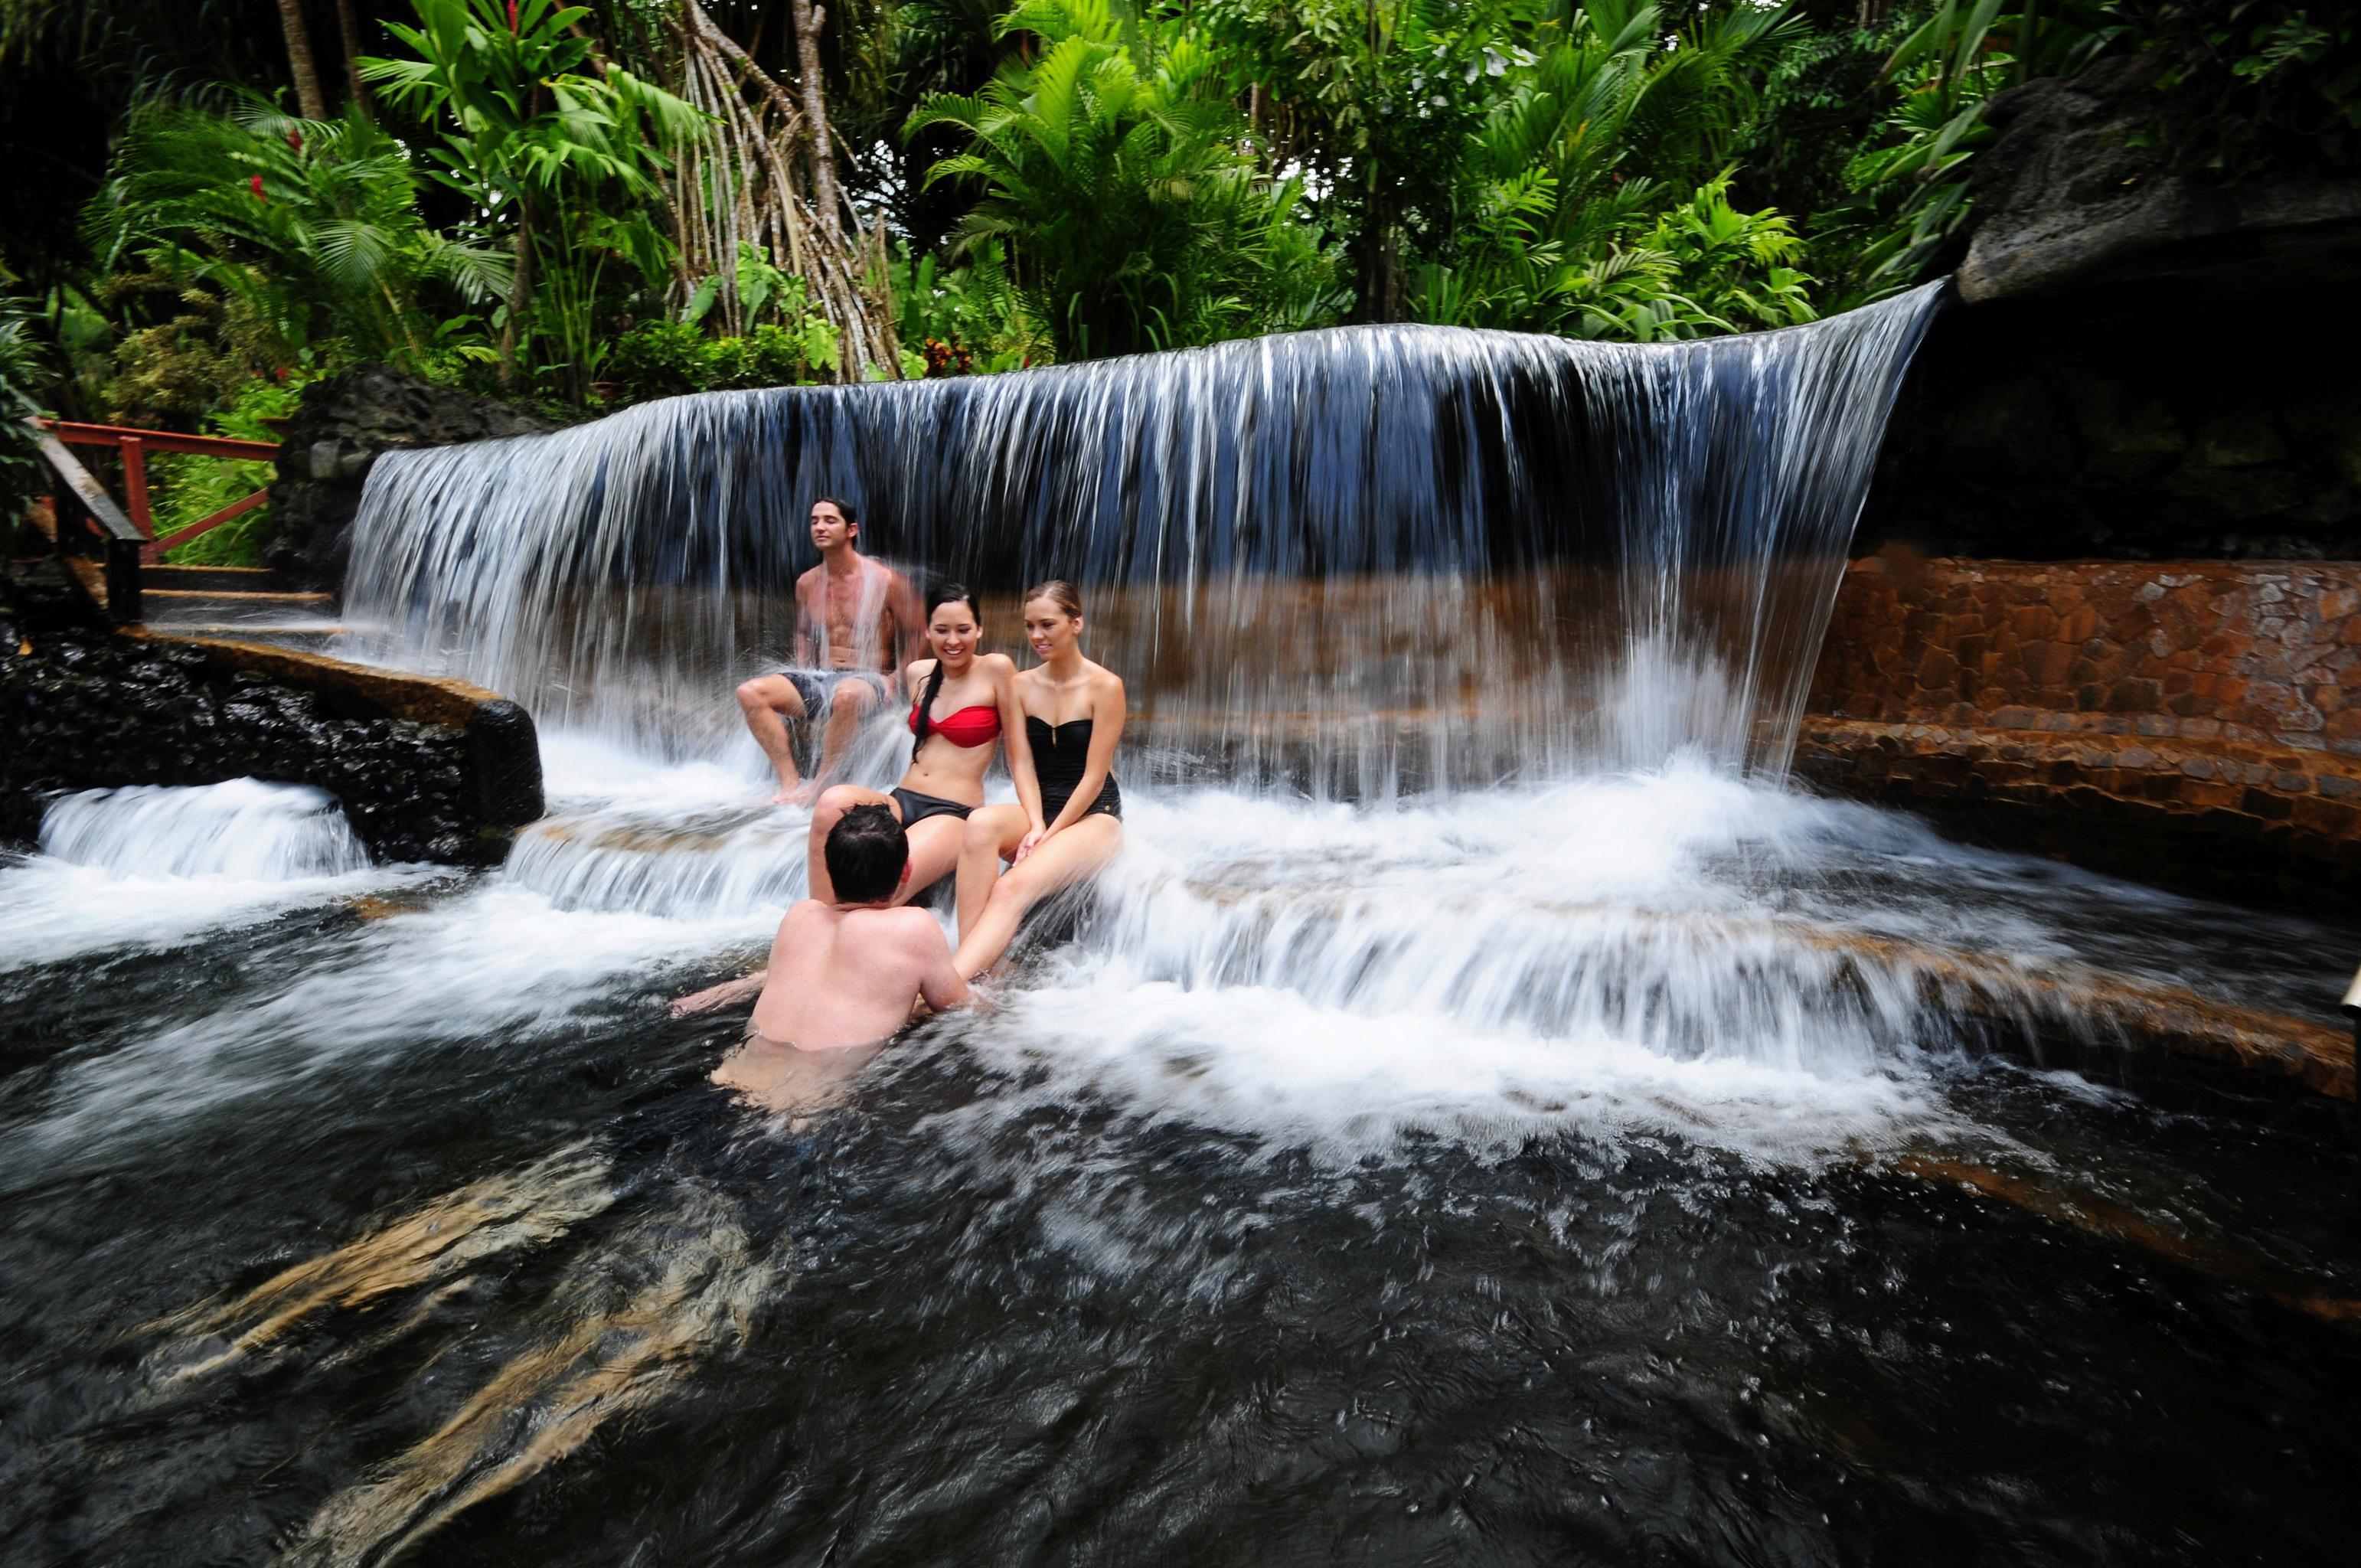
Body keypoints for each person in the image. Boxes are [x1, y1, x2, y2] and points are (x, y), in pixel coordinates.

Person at [673, 805, 972, 1108]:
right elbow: (959, 1008)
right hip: (812, 1102)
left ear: (829, 870)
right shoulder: (913, 926)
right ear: (907, 870)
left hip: (730, 1080)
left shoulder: (799, 915)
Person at [802, 584, 1030, 906]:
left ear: (979, 630)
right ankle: (821, 915)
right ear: (927, 632)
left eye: (963, 630)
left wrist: (1036, 821)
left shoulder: (997, 669)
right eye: (942, 630)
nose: (952, 641)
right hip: (901, 799)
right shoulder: (918, 672)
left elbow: (1019, 755)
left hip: (953, 812)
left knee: (885, 883)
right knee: (831, 803)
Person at [951, 580, 1125, 980]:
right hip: (1040, 807)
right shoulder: (1021, 684)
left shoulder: (1106, 687)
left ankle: (949, 985)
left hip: (1094, 814)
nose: (1036, 636)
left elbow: (1096, 776)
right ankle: (980, 966)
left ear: (1076, 623)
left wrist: (1050, 833)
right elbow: (1022, 763)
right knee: (979, 825)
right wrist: (1035, 823)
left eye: (1047, 625)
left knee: (1011, 887)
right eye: (1030, 626)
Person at [735, 497, 926, 804]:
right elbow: (803, 632)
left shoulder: (885, 580)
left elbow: (919, 632)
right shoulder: (807, 583)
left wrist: (894, 679)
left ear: (851, 530)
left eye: (829, 520)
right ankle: (790, 782)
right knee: (750, 692)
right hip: (821, 676)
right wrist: (801, 668)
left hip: (868, 679)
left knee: (847, 695)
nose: (820, 527)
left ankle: (822, 784)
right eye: (814, 521)